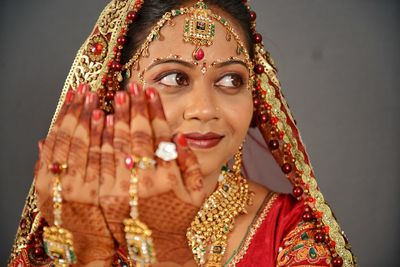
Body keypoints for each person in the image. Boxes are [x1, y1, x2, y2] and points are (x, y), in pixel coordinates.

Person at [8, 0, 357, 266]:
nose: (204, 109)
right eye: (174, 78)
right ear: (113, 91)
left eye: (231, 80)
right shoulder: (74, 222)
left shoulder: (291, 232)